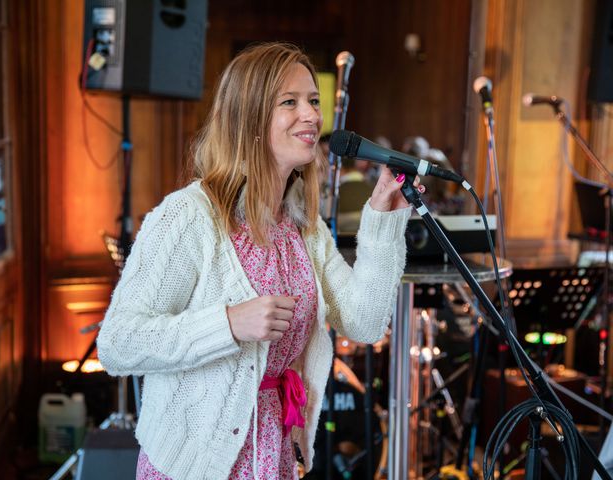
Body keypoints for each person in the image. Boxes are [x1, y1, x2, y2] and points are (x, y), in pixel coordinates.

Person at [96, 42, 419, 480]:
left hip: (275, 453)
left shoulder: (303, 228)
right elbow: (118, 343)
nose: (311, 116)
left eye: (313, 101)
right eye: (290, 102)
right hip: (193, 465)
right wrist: (228, 323)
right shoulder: (189, 216)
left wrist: (383, 217)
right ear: (248, 119)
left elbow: (363, 321)